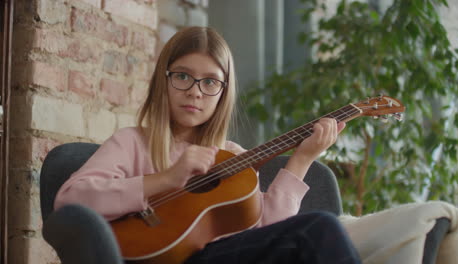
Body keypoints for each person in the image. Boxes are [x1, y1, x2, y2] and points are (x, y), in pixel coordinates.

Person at [54, 26, 360, 264]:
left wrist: (302, 160)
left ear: (223, 92)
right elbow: (69, 201)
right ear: (164, 80)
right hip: (157, 257)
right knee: (318, 227)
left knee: (316, 231)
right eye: (183, 76)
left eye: (210, 82)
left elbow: (271, 237)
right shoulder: (133, 142)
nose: (195, 92)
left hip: (221, 256)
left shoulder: (232, 157)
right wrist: (166, 179)